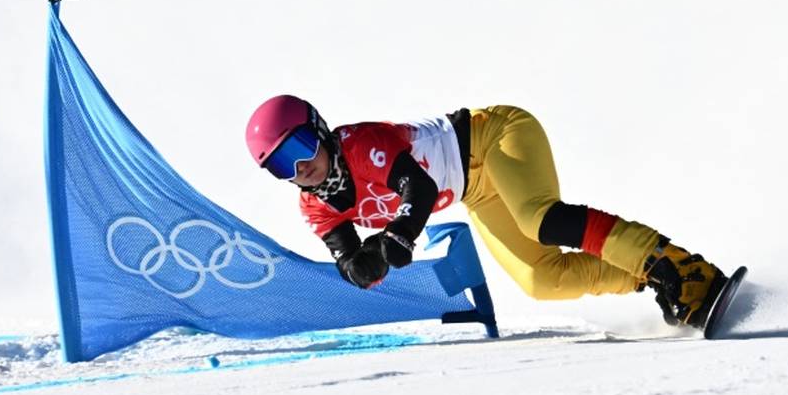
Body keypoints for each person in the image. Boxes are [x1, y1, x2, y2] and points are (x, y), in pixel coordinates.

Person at [245, 95, 728, 327]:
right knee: (543, 280)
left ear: (322, 129)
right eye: (282, 165)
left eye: (302, 147)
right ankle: (653, 276)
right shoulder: (315, 208)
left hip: (493, 137)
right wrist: (365, 264)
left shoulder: (358, 144)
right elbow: (354, 267)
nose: (302, 166)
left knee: (540, 218)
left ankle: (683, 267)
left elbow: (418, 186)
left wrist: (396, 237)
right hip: (476, 190)